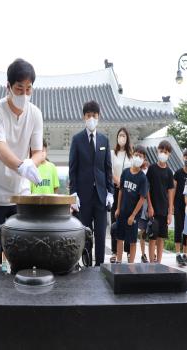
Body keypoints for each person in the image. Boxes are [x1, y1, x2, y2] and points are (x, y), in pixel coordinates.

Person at [0, 58, 43, 268]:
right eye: (19, 89)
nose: (24, 95)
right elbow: (0, 148)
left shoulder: (35, 114)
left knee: (19, 251)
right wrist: (21, 165)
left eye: (28, 89)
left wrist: (30, 164)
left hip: (20, 193)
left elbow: (38, 152)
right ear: (8, 86)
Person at [69, 100, 114, 266]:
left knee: (101, 233)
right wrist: (73, 194)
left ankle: (100, 266)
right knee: (86, 233)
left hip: (101, 195)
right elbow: (72, 169)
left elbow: (108, 168)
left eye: (94, 115)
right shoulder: (77, 140)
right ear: (84, 117)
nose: (91, 119)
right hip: (83, 195)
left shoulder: (104, 140)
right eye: (88, 116)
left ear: (98, 117)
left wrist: (110, 192)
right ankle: (87, 265)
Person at [115, 145, 148, 263]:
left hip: (133, 215)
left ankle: (131, 264)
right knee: (120, 238)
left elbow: (142, 198)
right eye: (136, 155)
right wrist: (118, 208)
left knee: (132, 241)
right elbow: (121, 191)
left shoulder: (142, 178)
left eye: (141, 156)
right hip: (122, 211)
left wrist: (133, 215)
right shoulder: (125, 172)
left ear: (144, 160)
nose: (138, 157)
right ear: (132, 155)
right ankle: (118, 261)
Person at [147, 140, 174, 263]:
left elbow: (170, 191)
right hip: (154, 208)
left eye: (166, 152)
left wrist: (170, 212)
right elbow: (147, 188)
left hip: (164, 209)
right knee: (153, 236)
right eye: (161, 151)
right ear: (158, 151)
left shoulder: (169, 172)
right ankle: (152, 262)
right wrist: (150, 206)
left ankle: (159, 262)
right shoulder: (152, 169)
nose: (163, 153)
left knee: (161, 237)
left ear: (169, 154)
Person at [110, 128, 133, 263]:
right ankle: (114, 251)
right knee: (116, 218)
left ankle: (129, 251)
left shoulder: (131, 154)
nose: (122, 137)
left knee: (129, 219)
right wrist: (117, 180)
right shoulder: (113, 153)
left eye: (124, 135)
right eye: (120, 135)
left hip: (129, 190)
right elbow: (109, 169)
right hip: (116, 188)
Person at [173, 148, 187, 267]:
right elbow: (173, 190)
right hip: (178, 205)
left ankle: (185, 255)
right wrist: (171, 205)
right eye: (186, 157)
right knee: (178, 228)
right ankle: (178, 254)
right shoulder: (177, 173)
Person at [138, 159, 150, 263]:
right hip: (141, 207)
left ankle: (151, 252)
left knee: (151, 231)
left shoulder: (150, 172)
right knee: (142, 232)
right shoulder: (138, 172)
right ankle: (143, 254)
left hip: (150, 206)